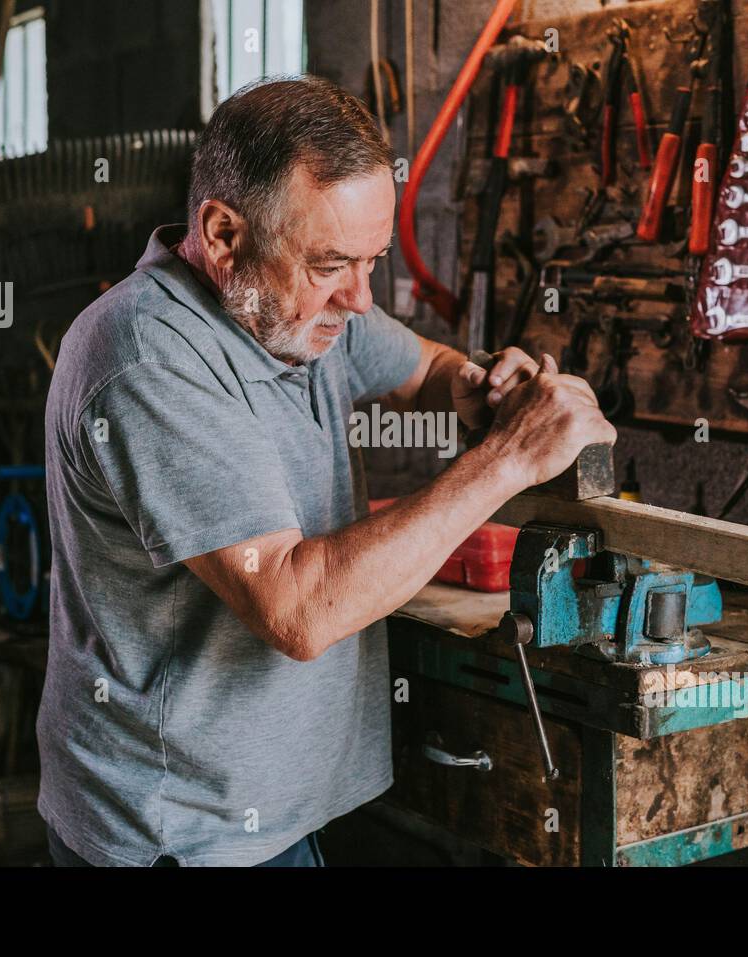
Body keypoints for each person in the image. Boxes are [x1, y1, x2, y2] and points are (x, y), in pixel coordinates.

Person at [37, 75, 615, 867]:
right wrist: (509, 457)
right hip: (181, 836)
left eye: (372, 260)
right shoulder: (145, 360)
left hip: (274, 810)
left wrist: (481, 389)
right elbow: (296, 606)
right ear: (223, 233)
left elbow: (426, 367)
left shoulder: (299, 310)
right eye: (331, 263)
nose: (359, 297)